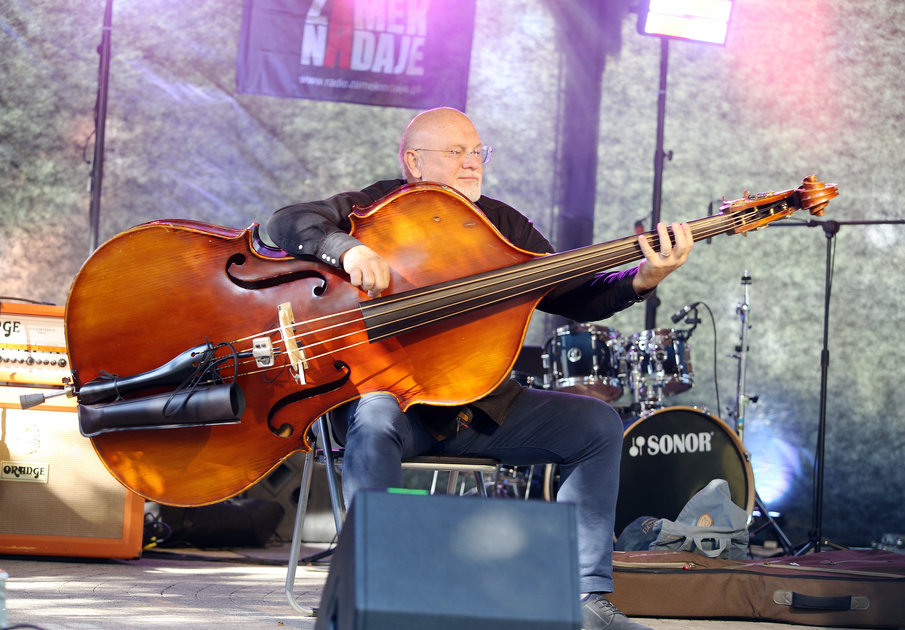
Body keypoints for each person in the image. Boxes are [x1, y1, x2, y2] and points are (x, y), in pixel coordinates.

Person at [265, 107, 693, 630]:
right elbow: (284, 223)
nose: (472, 164)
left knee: (598, 425)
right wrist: (346, 249)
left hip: (478, 408)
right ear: (414, 162)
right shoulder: (370, 208)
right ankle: (375, 590)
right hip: (395, 411)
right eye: (456, 152)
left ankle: (586, 596)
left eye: (477, 152)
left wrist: (644, 277)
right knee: (375, 417)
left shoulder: (504, 225)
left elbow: (577, 295)